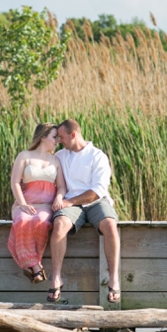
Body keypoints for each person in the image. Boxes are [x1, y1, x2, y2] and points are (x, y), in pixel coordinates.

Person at [48, 119, 121, 304]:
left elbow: (97, 191)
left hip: (95, 202)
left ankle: (113, 278)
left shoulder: (97, 156)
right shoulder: (60, 156)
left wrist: (69, 201)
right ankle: (56, 278)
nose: (59, 141)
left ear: (73, 135)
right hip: (71, 205)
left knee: (111, 225)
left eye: (62, 137)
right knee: (59, 224)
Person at [7, 122, 67, 284]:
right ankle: (35, 266)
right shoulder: (24, 156)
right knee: (22, 220)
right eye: (54, 137)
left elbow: (61, 187)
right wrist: (23, 204)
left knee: (40, 221)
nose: (57, 141)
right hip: (24, 203)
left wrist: (59, 198)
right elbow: (15, 183)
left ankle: (33, 267)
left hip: (46, 206)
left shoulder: (55, 160)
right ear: (42, 138)